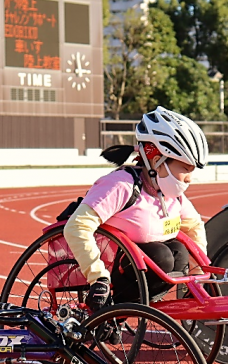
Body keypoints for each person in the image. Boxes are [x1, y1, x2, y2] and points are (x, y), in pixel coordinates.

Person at [64, 106, 208, 312]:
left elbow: (193, 226)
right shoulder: (120, 185)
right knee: (162, 256)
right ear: (158, 160)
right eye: (185, 168)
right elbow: (76, 227)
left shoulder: (171, 194)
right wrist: (98, 277)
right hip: (112, 264)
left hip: (141, 264)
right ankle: (113, 312)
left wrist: (200, 271)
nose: (189, 178)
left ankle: (123, 314)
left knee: (178, 253)